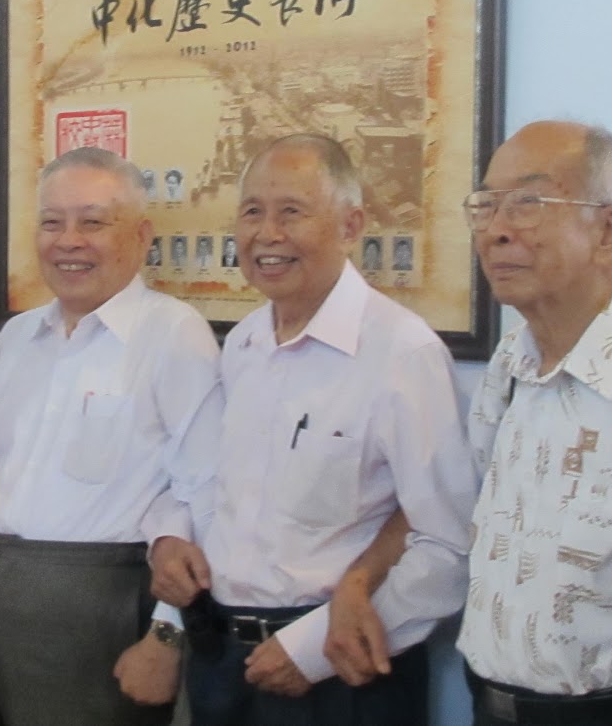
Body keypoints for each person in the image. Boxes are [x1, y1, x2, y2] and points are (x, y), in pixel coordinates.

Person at [329, 122, 612, 726]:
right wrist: (359, 582)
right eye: (486, 205)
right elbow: (458, 515)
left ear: (608, 230)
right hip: (492, 705)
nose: (496, 230)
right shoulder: (510, 362)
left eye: (528, 202)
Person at [161, 134, 474, 725]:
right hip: (223, 658)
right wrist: (172, 538)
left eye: (291, 213)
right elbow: (210, 488)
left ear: (351, 226)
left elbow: (447, 540)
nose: (267, 234)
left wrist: (315, 649)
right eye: (252, 212)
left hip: (340, 671)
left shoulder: (402, 353)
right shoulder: (244, 345)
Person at [0, 146, 223, 726]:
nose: (69, 241)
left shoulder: (173, 334)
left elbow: (205, 492)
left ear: (140, 236)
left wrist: (168, 634)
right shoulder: (16, 339)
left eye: (92, 222)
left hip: (109, 611)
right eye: (51, 222)